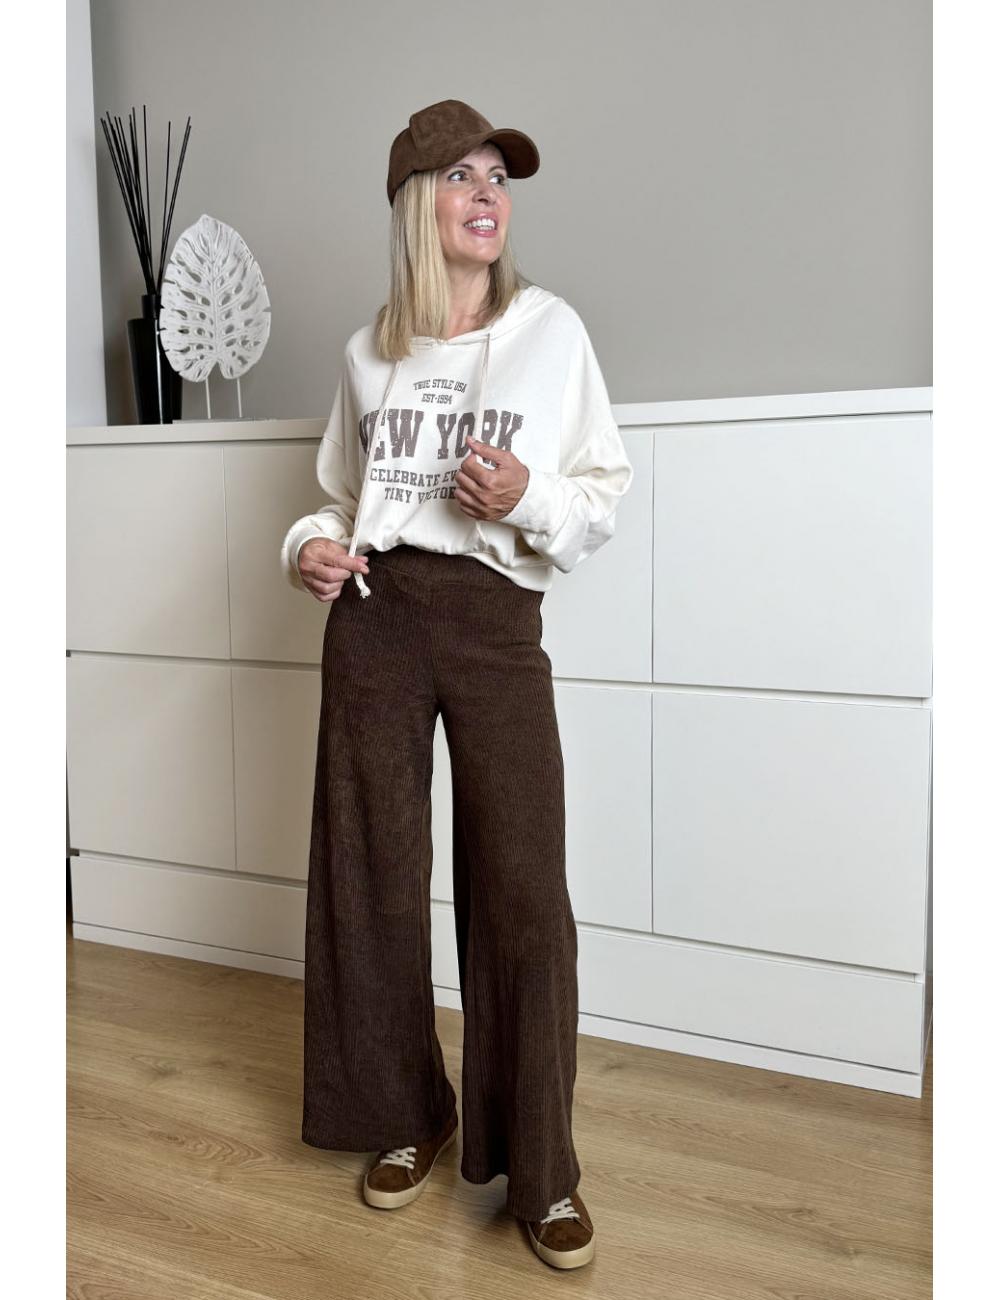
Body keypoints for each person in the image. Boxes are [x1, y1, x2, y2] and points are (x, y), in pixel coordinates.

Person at [280, 99, 633, 1272]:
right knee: (370, 875)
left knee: (523, 887)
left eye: (499, 178)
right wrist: (307, 548)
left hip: (492, 621)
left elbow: (600, 494)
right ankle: (404, 1111)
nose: (487, 195)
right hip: (376, 618)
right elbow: (341, 499)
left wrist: (527, 495)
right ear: (413, 205)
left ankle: (542, 1168)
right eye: (461, 177)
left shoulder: (551, 331)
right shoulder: (368, 351)